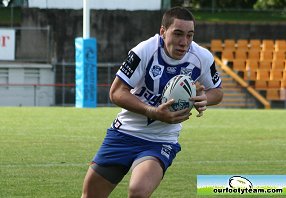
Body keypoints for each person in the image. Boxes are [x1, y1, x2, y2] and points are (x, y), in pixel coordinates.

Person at [81, 6, 223, 198]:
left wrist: (205, 98)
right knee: (91, 195)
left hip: (160, 141)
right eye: (178, 34)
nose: (184, 42)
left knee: (138, 191)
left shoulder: (202, 57)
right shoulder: (144, 51)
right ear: (163, 32)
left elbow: (217, 91)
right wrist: (152, 112)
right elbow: (116, 92)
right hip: (124, 133)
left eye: (190, 35)